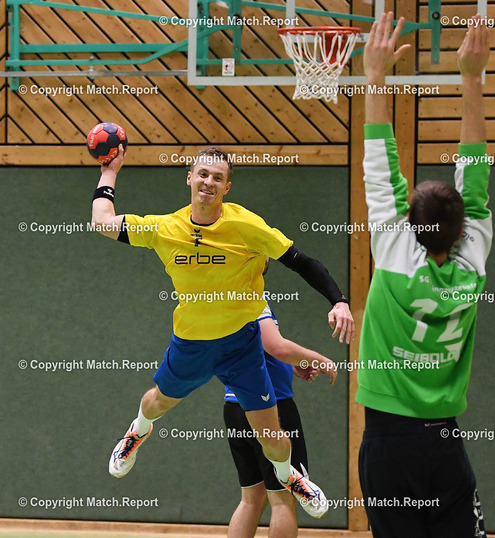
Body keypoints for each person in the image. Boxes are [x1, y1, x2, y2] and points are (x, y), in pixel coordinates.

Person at [91, 145, 354, 518]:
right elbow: (103, 222)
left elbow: (302, 262)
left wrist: (338, 301)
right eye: (203, 174)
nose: (208, 182)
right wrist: (110, 170)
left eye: (218, 177)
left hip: (240, 346)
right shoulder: (165, 228)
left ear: (227, 187)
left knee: (273, 438)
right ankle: (137, 431)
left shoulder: (247, 226)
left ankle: (289, 475)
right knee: (157, 403)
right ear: (190, 178)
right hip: (191, 345)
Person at [356, 12, 491, 537]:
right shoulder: (471, 265)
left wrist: (374, 77)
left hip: (387, 442)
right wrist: (472, 80)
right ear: (462, 230)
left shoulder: (393, 251)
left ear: (410, 224)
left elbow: (379, 164)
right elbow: (474, 177)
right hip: (444, 443)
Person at [224, 265, 337, 537]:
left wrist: (290, 365)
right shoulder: (252, 297)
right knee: (284, 499)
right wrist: (317, 358)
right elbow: (276, 346)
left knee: (251, 498)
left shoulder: (224, 298)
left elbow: (260, 348)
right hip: (271, 408)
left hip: (235, 407)